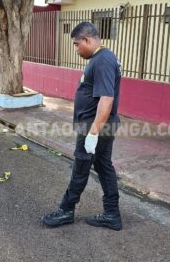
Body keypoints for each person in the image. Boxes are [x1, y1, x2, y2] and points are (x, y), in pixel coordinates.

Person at [41, 22, 122, 231]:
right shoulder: (101, 58)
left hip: (95, 128)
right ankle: (112, 214)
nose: (77, 50)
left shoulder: (103, 60)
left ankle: (66, 210)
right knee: (104, 167)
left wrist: (93, 133)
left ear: (87, 40)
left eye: (77, 45)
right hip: (100, 126)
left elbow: (106, 99)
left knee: (80, 168)